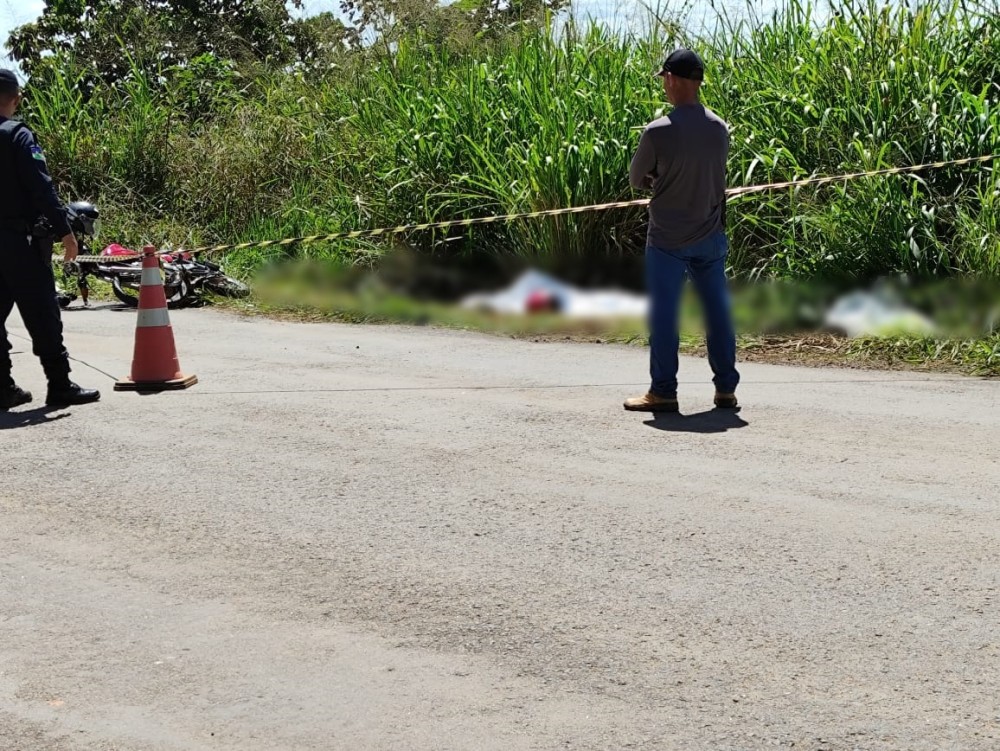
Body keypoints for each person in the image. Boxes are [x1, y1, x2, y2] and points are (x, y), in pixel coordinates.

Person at [624, 49, 739, 413]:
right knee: (717, 312)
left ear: (672, 80)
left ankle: (663, 391)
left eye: (665, 79)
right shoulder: (720, 128)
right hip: (710, 236)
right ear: (699, 81)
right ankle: (725, 390)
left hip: (668, 240)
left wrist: (659, 178)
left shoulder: (657, 132)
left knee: (664, 314)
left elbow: (635, 178)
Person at [0, 69, 100, 410]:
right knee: (42, 312)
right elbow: (42, 190)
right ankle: (59, 385)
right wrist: (66, 233)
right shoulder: (17, 136)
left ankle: (2, 388)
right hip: (18, 242)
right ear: (15, 99)